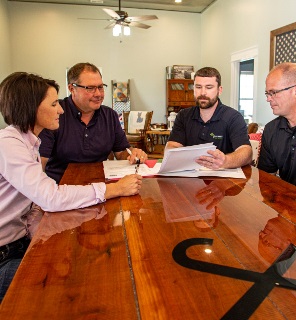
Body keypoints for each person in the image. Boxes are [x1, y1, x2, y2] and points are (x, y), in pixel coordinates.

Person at [0, 72, 142, 301]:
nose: (61, 110)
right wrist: (114, 189)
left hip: (19, 243)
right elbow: (50, 197)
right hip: (5, 256)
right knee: (78, 278)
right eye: (54, 104)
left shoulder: (29, 143)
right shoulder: (8, 145)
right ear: (31, 107)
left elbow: (33, 203)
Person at [39, 62, 147, 183]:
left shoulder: (110, 115)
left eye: (100, 87)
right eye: (90, 88)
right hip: (61, 188)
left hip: (101, 187)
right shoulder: (55, 113)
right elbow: (40, 164)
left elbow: (121, 152)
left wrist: (132, 154)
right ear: (71, 88)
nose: (98, 94)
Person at [165, 67, 252, 170]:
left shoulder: (233, 117)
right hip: (190, 178)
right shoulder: (183, 116)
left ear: (219, 90)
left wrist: (226, 161)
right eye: (198, 87)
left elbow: (246, 152)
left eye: (209, 87)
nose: (203, 93)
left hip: (223, 180)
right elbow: (171, 146)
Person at [258, 62, 296, 196]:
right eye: (267, 93)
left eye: (273, 92)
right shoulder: (271, 130)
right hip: (286, 209)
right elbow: (266, 180)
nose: (268, 99)